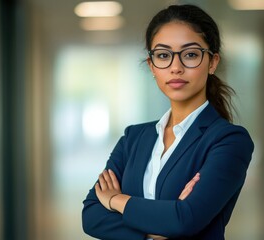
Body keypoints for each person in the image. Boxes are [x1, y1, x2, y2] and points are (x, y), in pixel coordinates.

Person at [82, 4, 254, 240]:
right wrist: (160, 227)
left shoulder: (229, 141)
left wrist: (116, 200)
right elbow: (91, 216)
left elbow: (185, 219)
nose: (175, 67)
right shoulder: (134, 138)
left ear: (212, 62)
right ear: (152, 66)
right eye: (163, 55)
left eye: (190, 54)